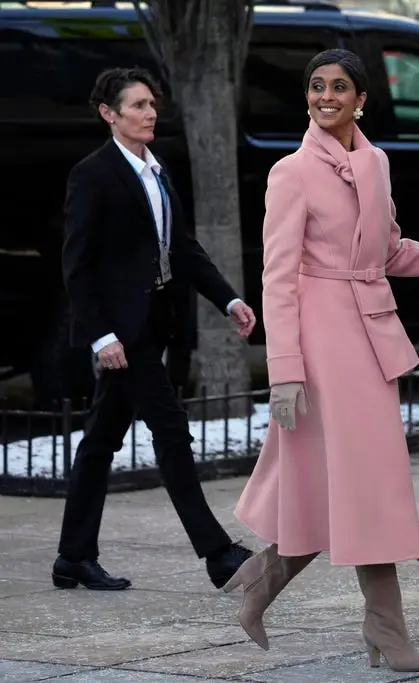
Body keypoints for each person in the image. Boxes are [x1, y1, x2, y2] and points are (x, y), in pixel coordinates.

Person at [224, 49, 419, 671]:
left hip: (370, 340)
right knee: (360, 487)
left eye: (339, 87)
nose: (325, 97)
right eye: (316, 87)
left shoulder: (375, 162)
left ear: (361, 99)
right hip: (319, 342)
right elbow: (277, 278)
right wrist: (285, 369)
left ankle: (263, 581)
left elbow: (389, 251)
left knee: (346, 488)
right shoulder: (290, 172)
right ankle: (388, 632)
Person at [54, 67, 256, 591]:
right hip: (124, 334)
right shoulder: (93, 174)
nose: (150, 113)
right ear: (109, 114)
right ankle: (217, 554)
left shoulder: (157, 171)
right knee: (171, 431)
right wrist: (102, 336)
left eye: (152, 104)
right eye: (138, 105)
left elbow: (182, 249)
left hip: (155, 324)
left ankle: (72, 556)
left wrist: (228, 298)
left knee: (99, 442)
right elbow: (77, 266)